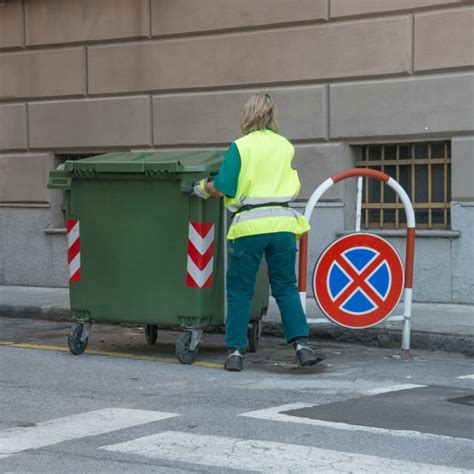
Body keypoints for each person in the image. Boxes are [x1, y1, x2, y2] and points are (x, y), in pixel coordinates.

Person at [192, 92, 325, 372]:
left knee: (240, 290)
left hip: (250, 226)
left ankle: (236, 352)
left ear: (247, 115)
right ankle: (302, 346)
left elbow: (224, 186)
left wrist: (201, 188)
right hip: (283, 225)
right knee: (286, 286)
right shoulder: (285, 146)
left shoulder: (241, 147)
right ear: (272, 115)